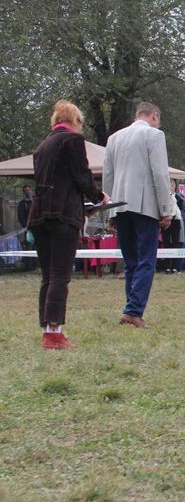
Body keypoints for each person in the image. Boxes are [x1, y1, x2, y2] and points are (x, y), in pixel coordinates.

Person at [28, 100, 106, 348]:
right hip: (63, 215)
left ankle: (47, 329)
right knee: (60, 275)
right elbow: (82, 177)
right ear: (76, 121)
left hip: (39, 215)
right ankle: (54, 334)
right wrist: (99, 197)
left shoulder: (42, 146)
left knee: (48, 275)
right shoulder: (72, 141)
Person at [104, 102, 174, 329]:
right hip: (144, 207)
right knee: (146, 260)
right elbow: (160, 174)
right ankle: (134, 311)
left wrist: (110, 212)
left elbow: (108, 178)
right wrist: (166, 209)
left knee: (131, 261)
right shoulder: (154, 135)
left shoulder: (114, 138)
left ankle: (130, 307)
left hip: (120, 206)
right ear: (154, 115)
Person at [157, 180, 183, 273]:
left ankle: (175, 267)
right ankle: (168, 267)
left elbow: (174, 208)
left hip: (175, 220)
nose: (171, 187)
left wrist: (170, 216)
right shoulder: (162, 195)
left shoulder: (174, 196)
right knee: (166, 243)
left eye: (172, 185)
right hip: (166, 219)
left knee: (175, 243)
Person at [16, 185, 36, 269]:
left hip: (38, 228)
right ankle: (29, 266)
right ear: (23, 192)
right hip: (28, 229)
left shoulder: (35, 202)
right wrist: (27, 226)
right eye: (25, 190)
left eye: (29, 190)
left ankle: (37, 265)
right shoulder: (22, 204)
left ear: (31, 190)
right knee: (28, 247)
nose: (27, 192)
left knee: (39, 246)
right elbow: (20, 217)